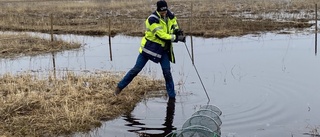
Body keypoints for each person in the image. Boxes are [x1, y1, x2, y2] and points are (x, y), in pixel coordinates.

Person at [114, 0, 186, 99]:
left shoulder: (170, 15)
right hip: (149, 49)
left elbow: (174, 25)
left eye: (165, 11)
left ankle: (172, 97)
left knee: (167, 73)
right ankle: (119, 88)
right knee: (136, 70)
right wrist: (176, 38)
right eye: (162, 12)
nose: (164, 13)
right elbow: (161, 35)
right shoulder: (152, 20)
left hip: (163, 50)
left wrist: (177, 31)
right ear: (158, 10)